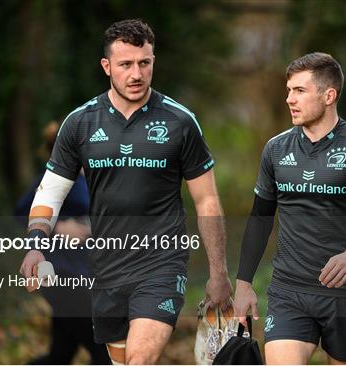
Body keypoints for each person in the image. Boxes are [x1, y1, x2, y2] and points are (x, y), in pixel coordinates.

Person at [19, 19, 232, 365]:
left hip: (162, 263)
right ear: (107, 67)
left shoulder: (180, 121)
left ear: (153, 62)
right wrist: (36, 247)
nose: (137, 74)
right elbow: (49, 194)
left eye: (144, 63)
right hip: (105, 267)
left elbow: (207, 199)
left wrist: (218, 273)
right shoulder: (80, 123)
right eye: (126, 64)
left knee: (139, 359)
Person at [233, 52, 346, 364]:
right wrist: (244, 283)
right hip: (288, 291)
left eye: (300, 91)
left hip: (343, 293)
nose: (290, 99)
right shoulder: (276, 149)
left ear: (329, 95)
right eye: (289, 90)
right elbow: (260, 219)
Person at [14, 121, 110, 364]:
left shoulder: (89, 178)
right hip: (61, 275)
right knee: (103, 351)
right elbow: (22, 210)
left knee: (60, 355)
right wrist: (58, 226)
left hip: (82, 274)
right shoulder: (55, 179)